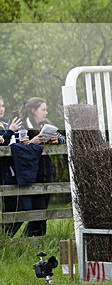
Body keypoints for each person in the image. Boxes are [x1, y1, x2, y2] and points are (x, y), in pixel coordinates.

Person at [16, 97, 63, 236]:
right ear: (33, 110)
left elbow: (63, 138)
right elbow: (15, 147)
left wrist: (57, 139)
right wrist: (32, 142)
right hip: (29, 173)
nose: (46, 112)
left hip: (45, 172)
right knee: (34, 211)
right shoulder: (21, 126)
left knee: (42, 212)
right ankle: (27, 240)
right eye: (43, 109)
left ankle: (33, 241)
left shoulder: (46, 126)